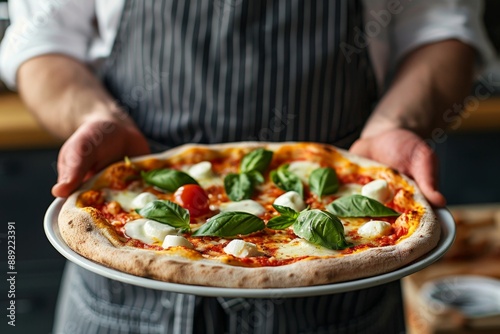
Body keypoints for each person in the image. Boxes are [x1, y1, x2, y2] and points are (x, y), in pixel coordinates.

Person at [0, 0, 494, 333]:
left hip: (339, 277)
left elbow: (442, 28)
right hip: (124, 268)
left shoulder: (373, 205)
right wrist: (95, 118)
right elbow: (42, 40)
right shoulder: (111, 209)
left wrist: (396, 124)